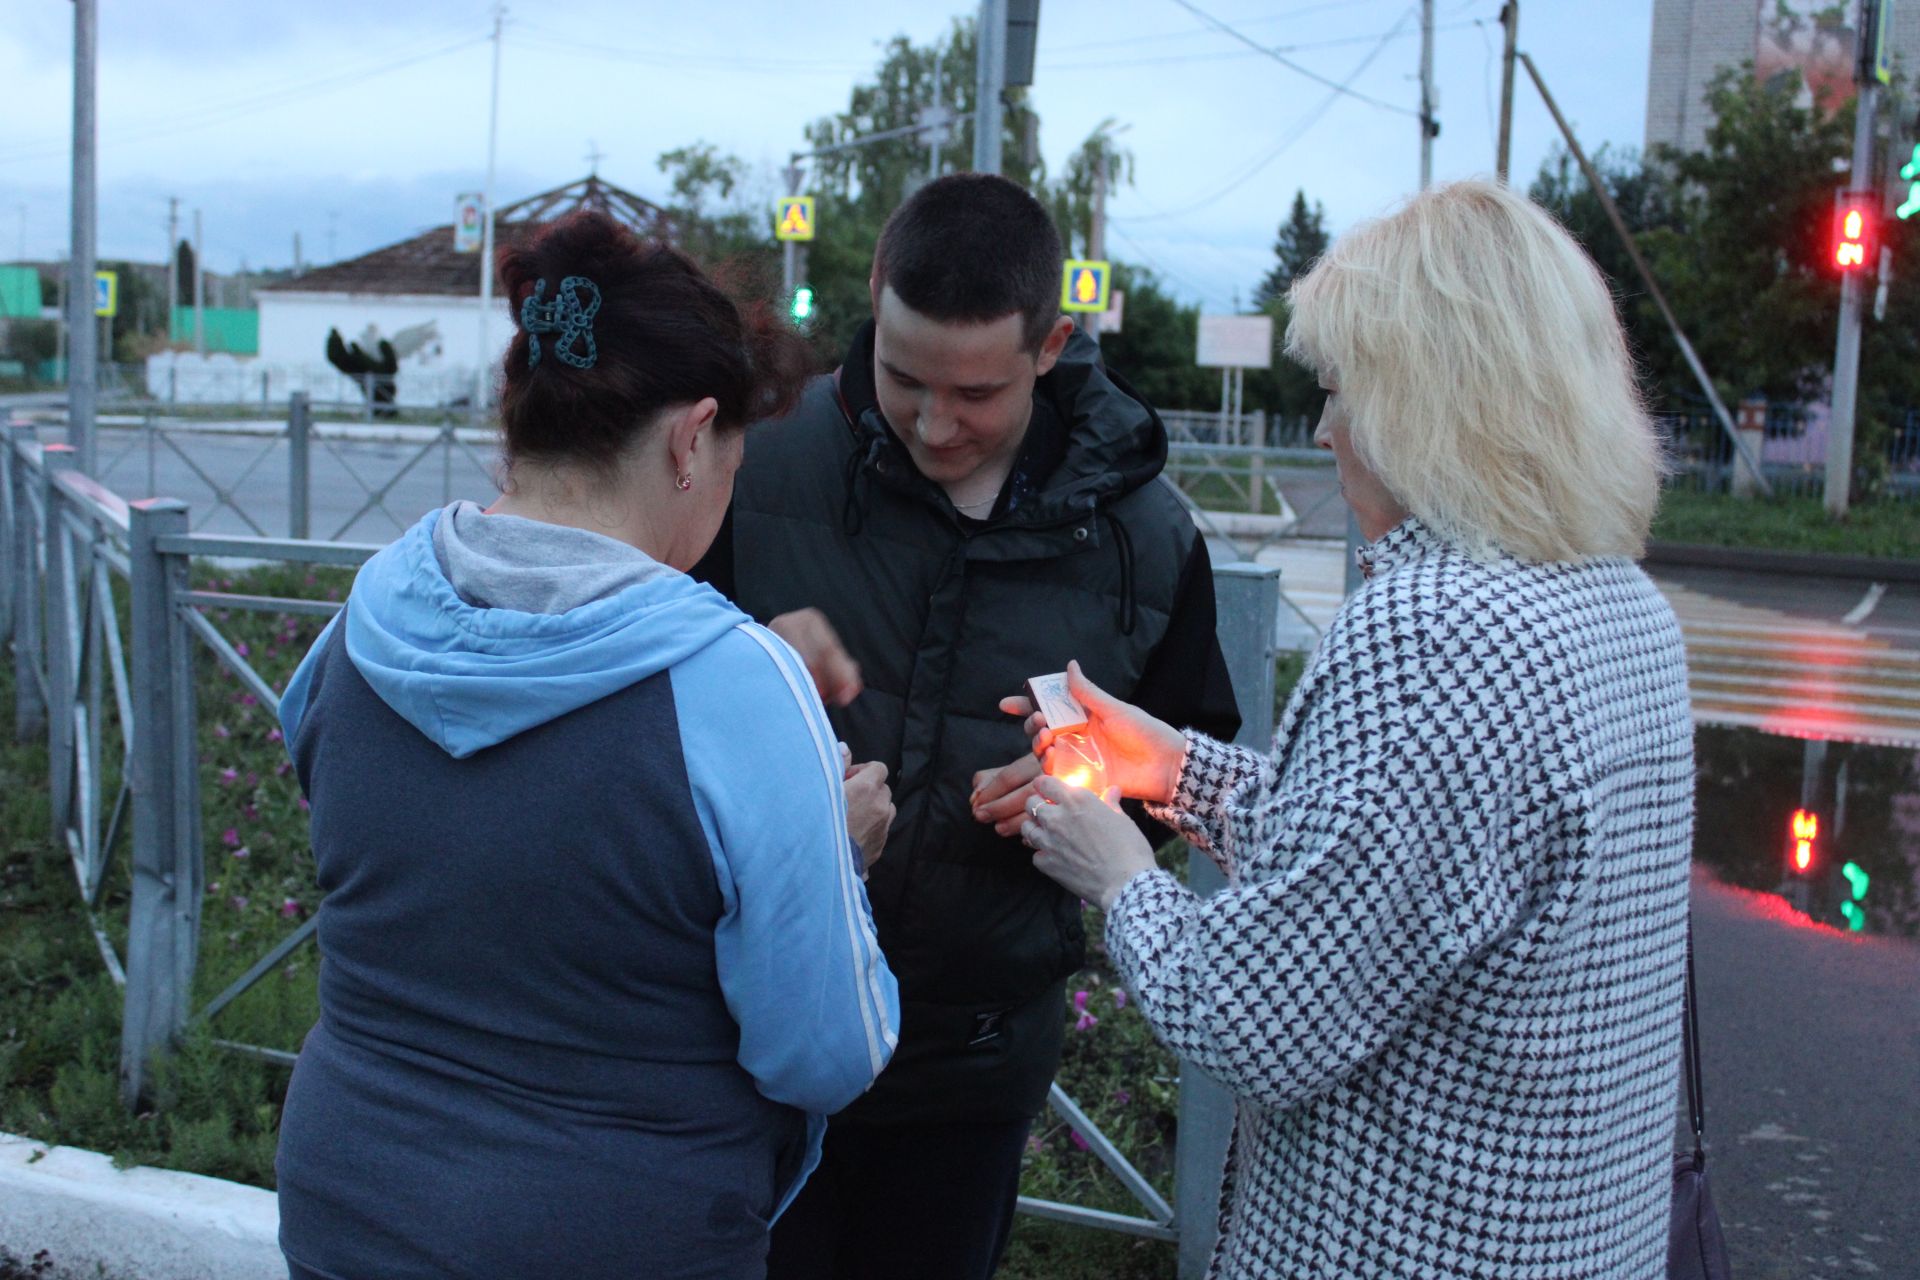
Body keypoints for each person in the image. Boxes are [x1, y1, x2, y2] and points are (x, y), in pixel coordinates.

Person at [1011, 179, 1695, 1278]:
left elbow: (1252, 1020)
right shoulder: (1618, 604)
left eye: (1338, 391)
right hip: (1574, 1236)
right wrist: (1173, 766)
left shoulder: (1432, 630)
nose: (1325, 428)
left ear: (1429, 399)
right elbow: (1410, 869)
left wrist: (1121, 871)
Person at [273, 210, 900, 1280]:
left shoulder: (363, 622)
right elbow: (825, 1052)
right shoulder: (733, 681)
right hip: (620, 1231)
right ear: (692, 436)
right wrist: (825, 850)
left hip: (344, 1205)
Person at [693, 172, 1240, 1280]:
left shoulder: (1142, 532)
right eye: (903, 378)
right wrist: (735, 666)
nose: (936, 422)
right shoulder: (757, 460)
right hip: (749, 1034)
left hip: (969, 1068)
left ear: (1051, 345)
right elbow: (633, 680)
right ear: (877, 298)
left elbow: (1187, 758)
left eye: (976, 393)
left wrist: (1073, 795)